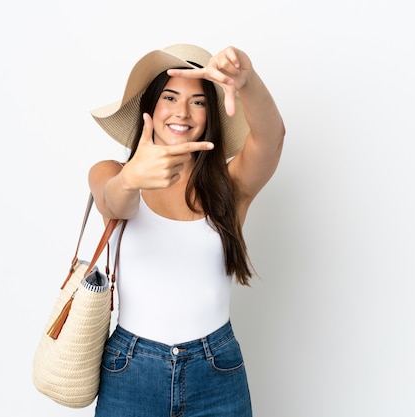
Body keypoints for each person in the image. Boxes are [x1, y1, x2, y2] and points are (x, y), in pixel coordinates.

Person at [88, 44, 284, 417]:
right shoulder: (111, 172)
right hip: (131, 370)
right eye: (171, 96)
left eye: (198, 101)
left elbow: (271, 140)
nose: (182, 111)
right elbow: (115, 203)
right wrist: (131, 178)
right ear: (150, 107)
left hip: (216, 370)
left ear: (210, 114)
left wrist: (248, 81)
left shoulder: (230, 185)